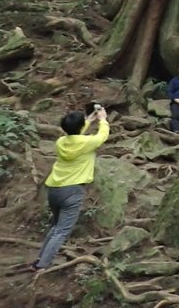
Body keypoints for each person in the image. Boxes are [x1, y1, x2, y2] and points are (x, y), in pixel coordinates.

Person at [32, 105, 110, 271]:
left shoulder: (61, 142)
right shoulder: (88, 142)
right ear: (80, 128)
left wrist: (88, 121)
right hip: (72, 191)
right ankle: (42, 266)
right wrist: (103, 120)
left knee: (56, 227)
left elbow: (74, 134)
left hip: (53, 189)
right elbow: (102, 136)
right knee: (61, 231)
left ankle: (39, 260)